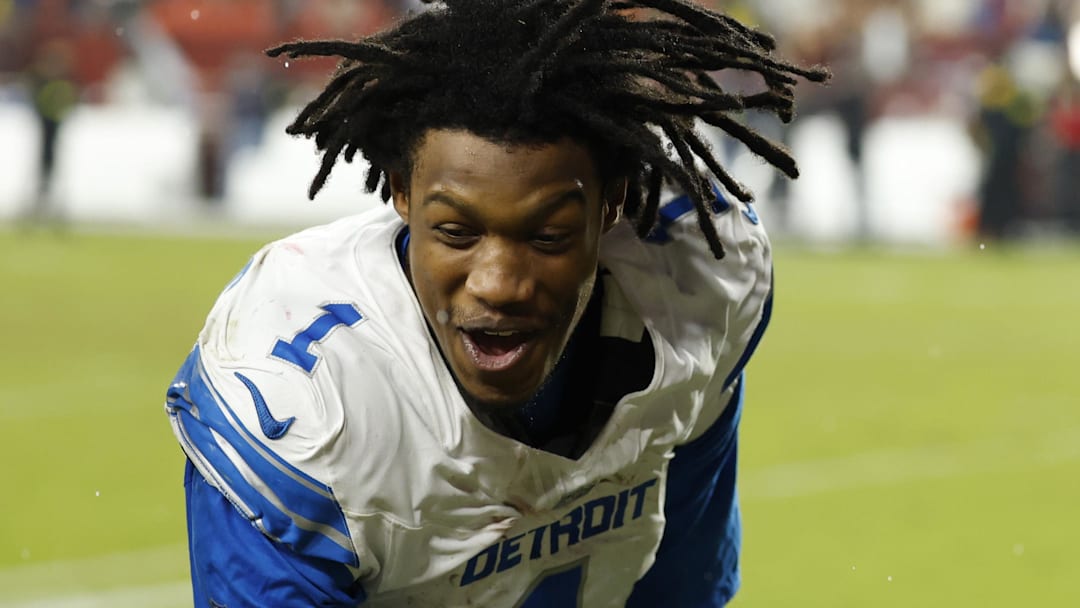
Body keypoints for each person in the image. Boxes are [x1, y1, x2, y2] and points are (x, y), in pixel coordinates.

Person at [164, 1, 827, 605]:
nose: (499, 283)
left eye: (547, 236)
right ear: (400, 191)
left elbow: (682, 584)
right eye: (456, 232)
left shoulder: (695, 269)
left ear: (613, 204)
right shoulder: (300, 394)